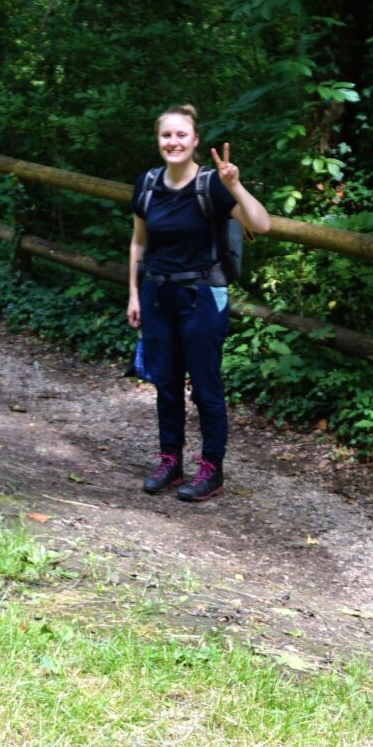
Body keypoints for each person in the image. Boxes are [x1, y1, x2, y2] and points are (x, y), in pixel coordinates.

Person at [127, 105, 272, 503]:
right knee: (166, 383)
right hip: (158, 293)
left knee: (206, 387)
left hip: (203, 296)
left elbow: (262, 225)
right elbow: (139, 241)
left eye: (180, 136)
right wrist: (134, 294)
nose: (173, 142)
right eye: (166, 136)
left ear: (194, 141)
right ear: (158, 140)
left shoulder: (211, 185)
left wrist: (236, 185)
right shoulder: (148, 184)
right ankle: (170, 461)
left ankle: (212, 468)